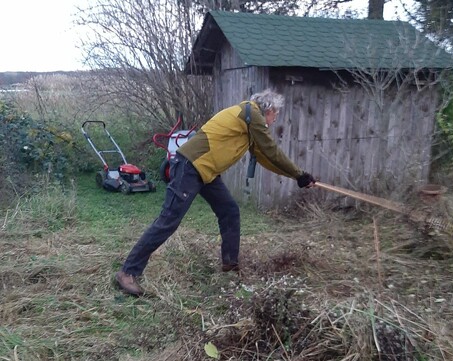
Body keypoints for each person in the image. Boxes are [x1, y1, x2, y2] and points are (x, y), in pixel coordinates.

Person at [115, 89, 315, 296]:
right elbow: (271, 150)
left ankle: (230, 268)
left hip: (206, 172)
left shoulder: (249, 121)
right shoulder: (252, 114)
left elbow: (264, 157)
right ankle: (128, 272)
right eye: (276, 114)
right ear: (269, 109)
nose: (275, 119)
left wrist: (298, 177)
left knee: (229, 211)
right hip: (190, 167)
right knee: (169, 220)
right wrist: (299, 174)